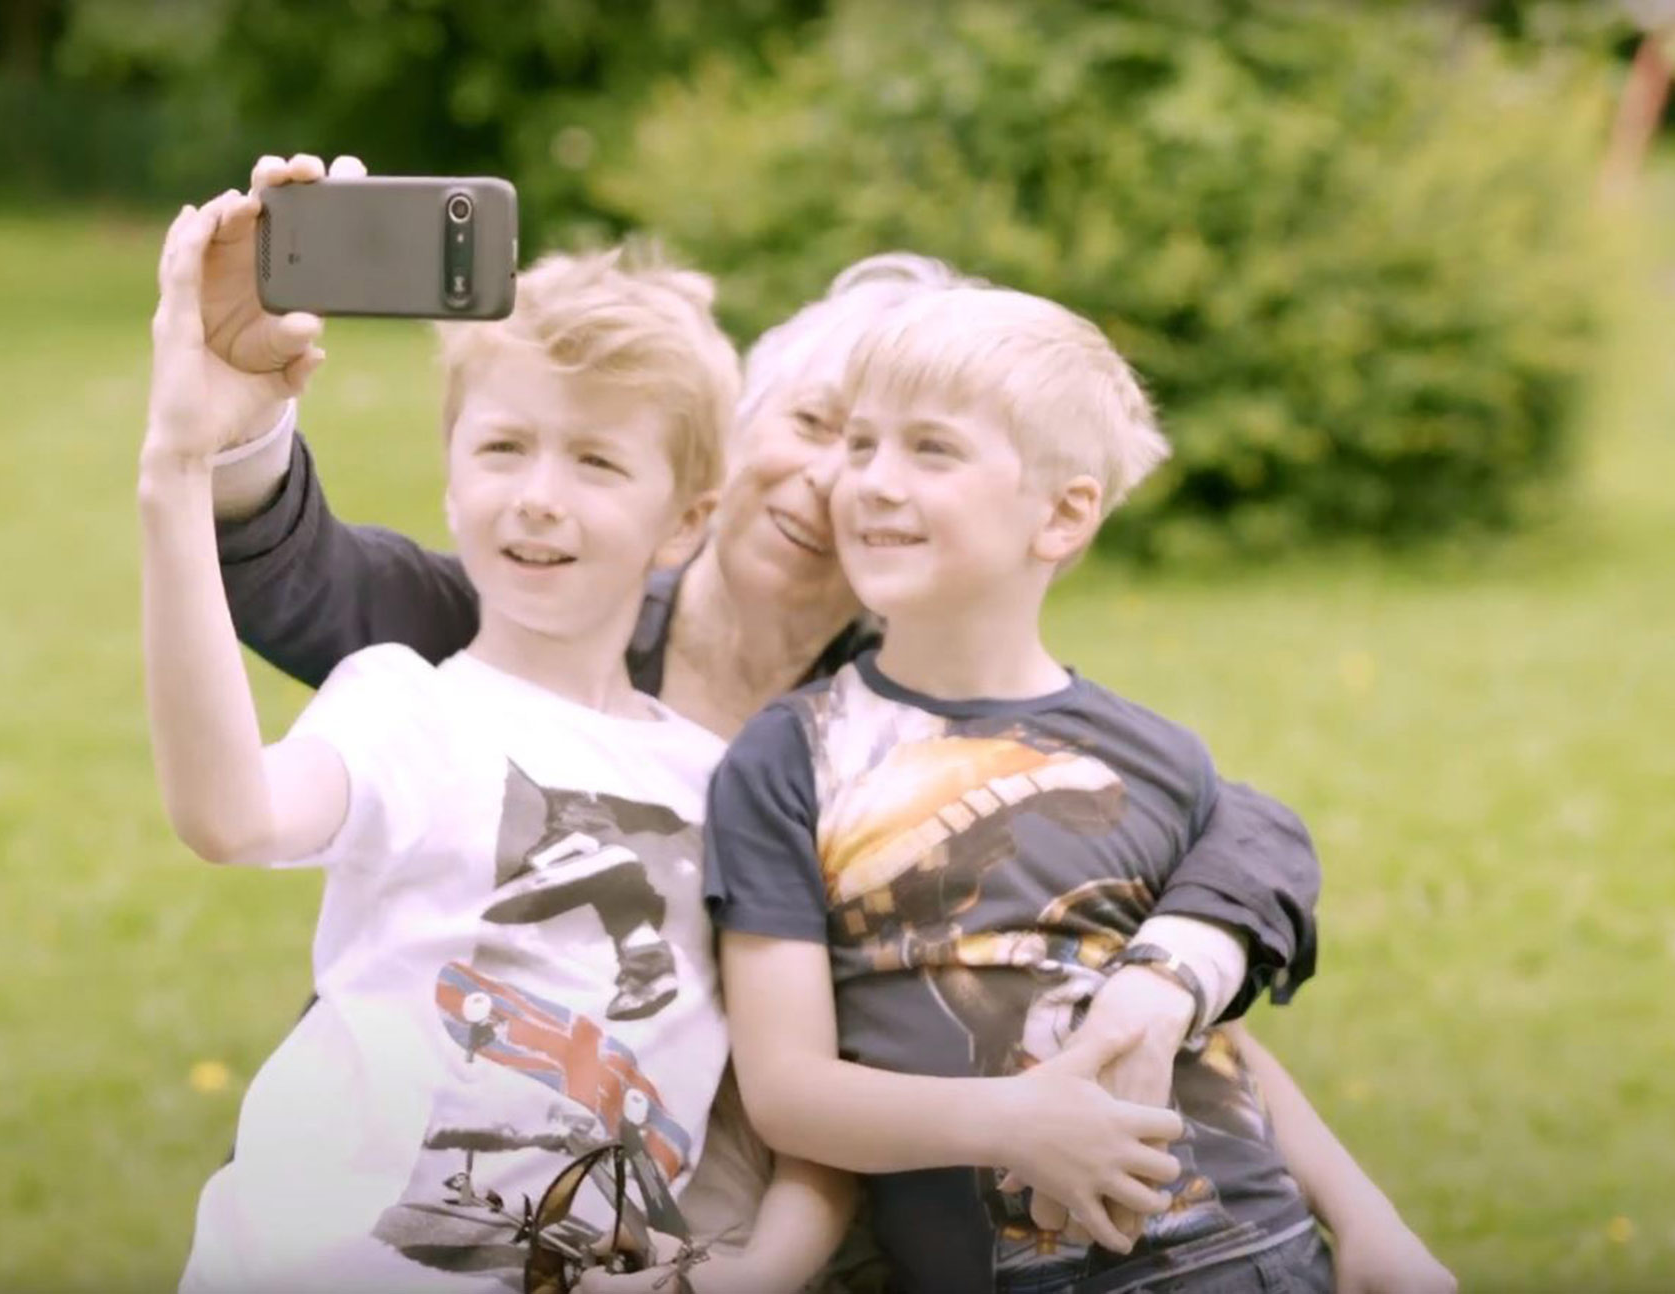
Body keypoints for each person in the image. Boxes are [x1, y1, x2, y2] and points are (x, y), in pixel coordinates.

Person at [188, 153, 1450, 1293]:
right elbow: (299, 571)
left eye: (892, 447)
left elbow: (1226, 841)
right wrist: (233, 418)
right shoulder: (543, 607)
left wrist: (1184, 978)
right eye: (812, 425)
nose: (837, 476)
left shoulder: (892, 730)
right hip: (433, 1182)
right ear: (725, 446)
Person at [703, 283, 1439, 1293]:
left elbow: (1207, 1030)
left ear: (1061, 514)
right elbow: (787, 1091)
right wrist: (1015, 1123)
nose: (868, 480)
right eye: (861, 444)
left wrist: (1367, 1223)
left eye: (930, 449)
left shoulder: (1155, 758)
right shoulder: (787, 757)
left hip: (1247, 1252)